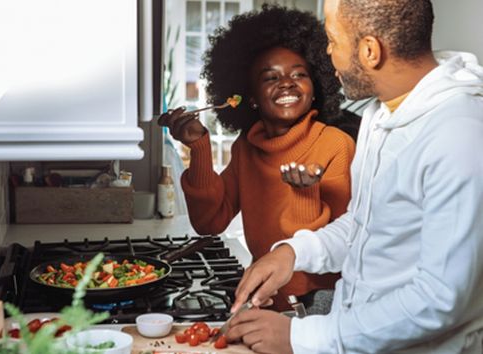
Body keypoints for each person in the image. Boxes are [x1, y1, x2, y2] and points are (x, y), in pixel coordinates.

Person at [227, 0, 483, 353]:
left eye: (333, 40)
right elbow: (367, 225)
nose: (328, 54)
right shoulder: (382, 114)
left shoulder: (460, 135)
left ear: (369, 51)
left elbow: (440, 298)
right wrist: (292, 252)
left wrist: (300, 337)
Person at [158, 5, 358, 312]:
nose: (287, 82)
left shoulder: (336, 145)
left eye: (299, 74)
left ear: (315, 88)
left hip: (320, 306)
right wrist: (199, 148)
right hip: (264, 299)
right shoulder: (247, 148)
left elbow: (341, 245)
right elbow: (209, 222)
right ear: (249, 96)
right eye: (270, 77)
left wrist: (305, 194)